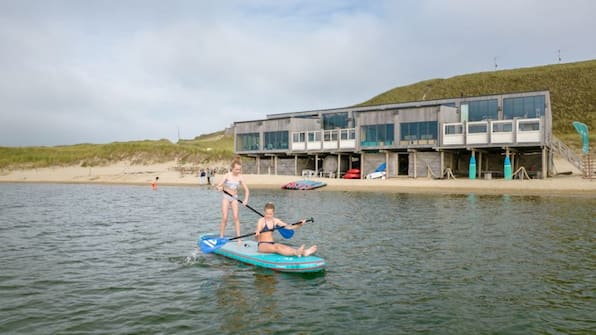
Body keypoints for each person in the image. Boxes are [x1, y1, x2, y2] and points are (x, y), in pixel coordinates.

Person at [215, 157, 249, 240]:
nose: (238, 171)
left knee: (236, 217)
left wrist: (245, 200)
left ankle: (238, 238)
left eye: (239, 169)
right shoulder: (227, 175)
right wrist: (219, 188)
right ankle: (221, 236)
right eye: (237, 169)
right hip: (226, 197)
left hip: (234, 198)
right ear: (232, 168)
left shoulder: (240, 177)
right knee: (225, 217)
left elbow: (247, 190)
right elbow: (218, 186)